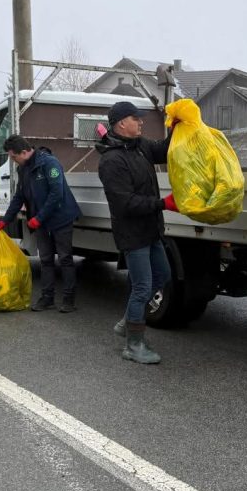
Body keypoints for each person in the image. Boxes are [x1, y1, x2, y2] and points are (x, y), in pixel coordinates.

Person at [96, 101, 177, 365]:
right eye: (136, 118)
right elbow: (125, 203)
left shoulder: (139, 146)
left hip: (151, 229)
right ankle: (133, 345)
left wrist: (177, 127)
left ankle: (128, 321)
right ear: (121, 123)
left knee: (162, 276)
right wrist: (162, 203)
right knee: (142, 287)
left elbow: (164, 151)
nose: (141, 122)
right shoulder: (111, 160)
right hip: (132, 233)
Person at [0, 134, 82, 313]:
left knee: (65, 258)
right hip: (41, 221)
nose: (12, 161)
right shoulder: (23, 169)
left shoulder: (49, 163)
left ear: (23, 152)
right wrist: (5, 220)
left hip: (61, 217)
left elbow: (56, 194)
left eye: (13, 157)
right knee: (45, 260)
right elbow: (19, 196)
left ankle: (68, 300)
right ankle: (47, 298)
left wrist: (38, 218)